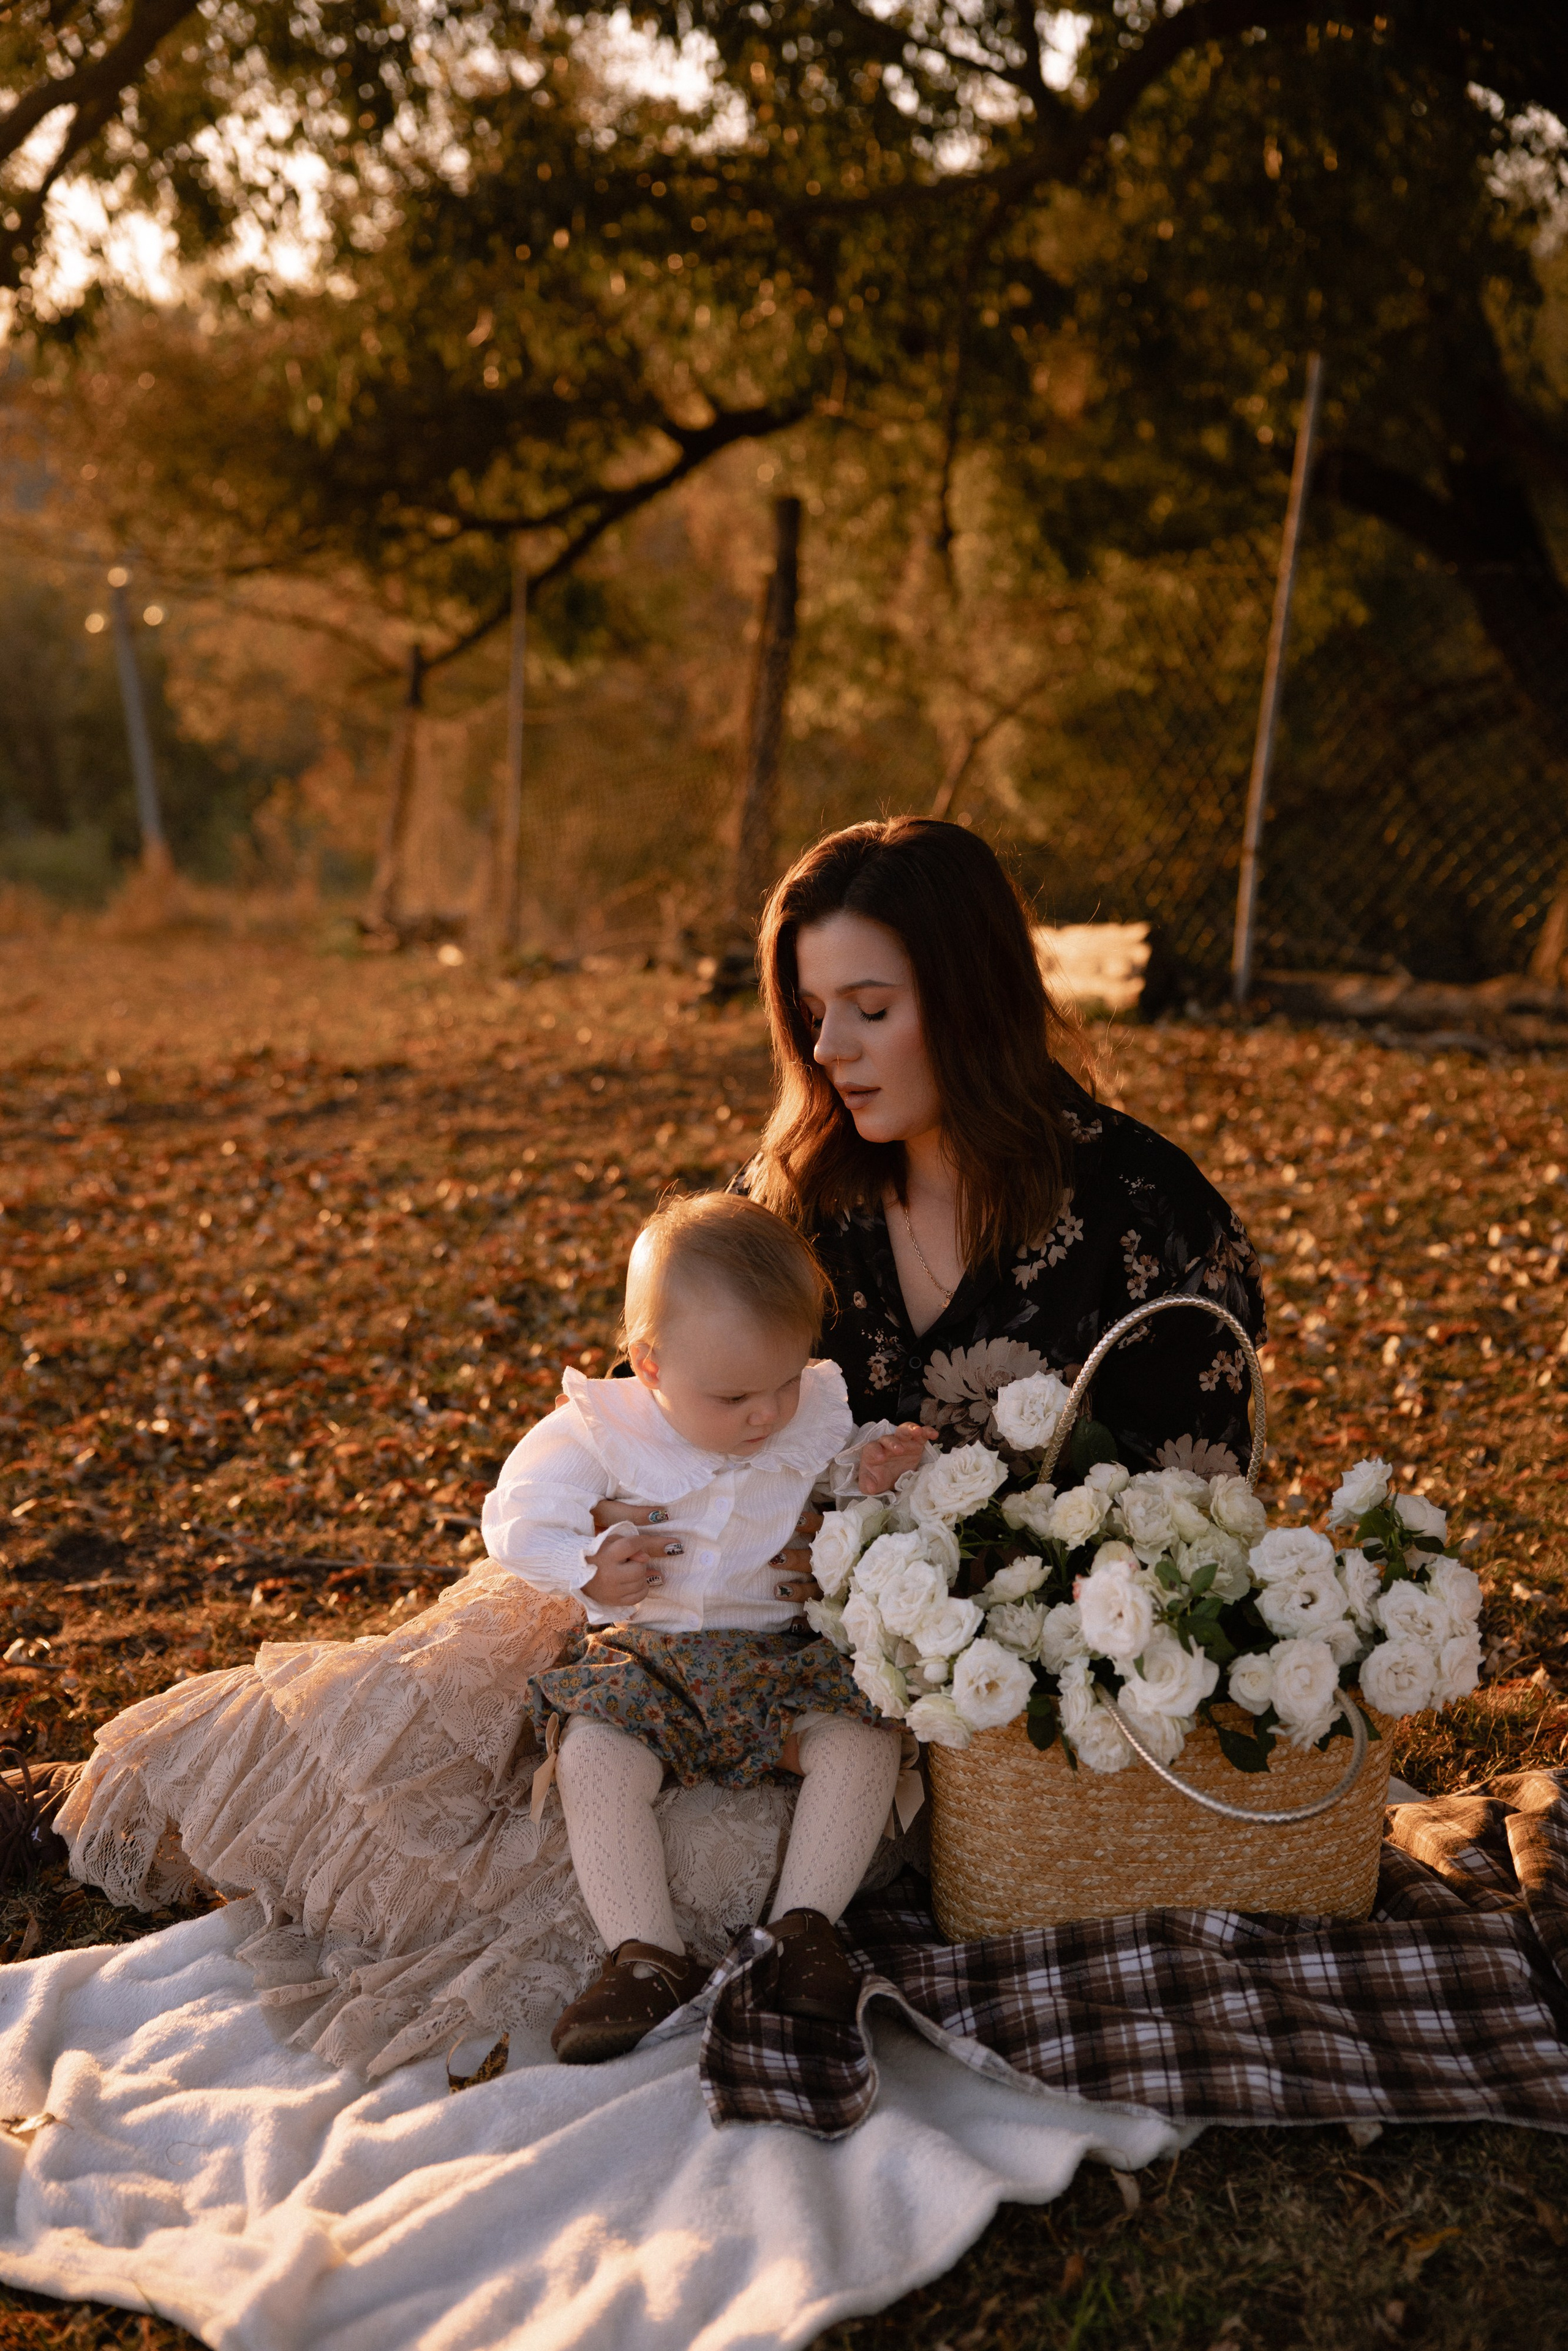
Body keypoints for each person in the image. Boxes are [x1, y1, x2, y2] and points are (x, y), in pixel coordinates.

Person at [595, 817, 1266, 1600]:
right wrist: (617, 1512)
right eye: (814, 1015)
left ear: (974, 999)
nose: (828, 1049)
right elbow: (651, 1399)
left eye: (871, 1010)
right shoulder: (797, 1195)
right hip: (759, 1640)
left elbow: (1195, 1530)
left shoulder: (1154, 1220)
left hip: (1025, 1690)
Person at [482, 1191, 925, 2061]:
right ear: (650, 1365)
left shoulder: (808, 1412)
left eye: (785, 1382)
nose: (766, 1414)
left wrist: (875, 1472)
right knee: (594, 1753)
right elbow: (515, 1514)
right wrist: (583, 1563)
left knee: (865, 1739)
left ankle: (804, 1931)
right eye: (734, 1395)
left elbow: (838, 1484)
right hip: (657, 1659)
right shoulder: (601, 1430)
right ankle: (645, 1955)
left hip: (785, 1658)